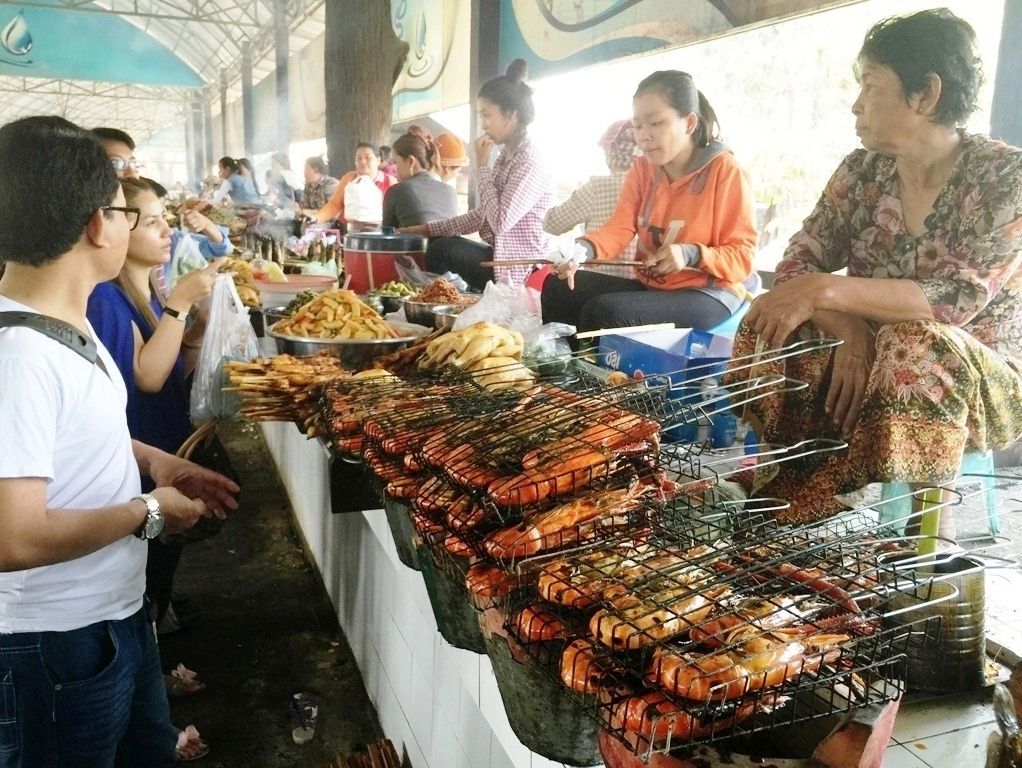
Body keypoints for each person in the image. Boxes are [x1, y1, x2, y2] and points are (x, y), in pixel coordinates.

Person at [0, 115, 238, 766]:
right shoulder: (18, 356)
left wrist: (159, 462)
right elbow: (12, 537)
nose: (137, 225)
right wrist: (152, 510)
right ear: (97, 224)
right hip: (56, 645)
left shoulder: (64, 323)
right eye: (123, 210)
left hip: (115, 615)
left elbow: (84, 434)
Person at [729, 8, 1022, 531]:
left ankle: (927, 533)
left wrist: (826, 290)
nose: (856, 104)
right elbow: (799, 262)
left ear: (925, 94)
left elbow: (952, 301)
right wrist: (848, 332)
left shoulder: (1006, 177)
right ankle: (795, 477)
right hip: (872, 343)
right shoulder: (862, 170)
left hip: (979, 373)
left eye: (870, 85)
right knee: (769, 312)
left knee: (914, 341)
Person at [87, 177, 225, 761]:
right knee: (147, 572)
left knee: (155, 574)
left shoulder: (136, 291)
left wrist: (194, 330)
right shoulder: (105, 301)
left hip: (153, 451)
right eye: (146, 220)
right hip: (140, 456)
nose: (165, 230)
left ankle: (156, 652)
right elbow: (145, 375)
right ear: (101, 226)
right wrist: (181, 305)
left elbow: (164, 363)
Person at [540, 70, 757, 333]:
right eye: (638, 125)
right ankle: (557, 367)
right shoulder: (643, 169)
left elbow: (742, 257)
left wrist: (691, 254)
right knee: (557, 287)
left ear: (689, 123)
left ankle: (591, 374)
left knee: (607, 313)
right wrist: (581, 251)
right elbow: (619, 228)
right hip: (655, 286)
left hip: (709, 293)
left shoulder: (725, 171)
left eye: (655, 123)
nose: (643, 136)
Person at [404, 59, 553, 290]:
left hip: (519, 267)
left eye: (487, 115)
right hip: (500, 257)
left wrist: (482, 165)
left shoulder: (529, 160)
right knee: (438, 242)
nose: (483, 124)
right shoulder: (507, 156)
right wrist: (427, 228)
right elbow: (482, 215)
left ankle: (439, 306)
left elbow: (501, 221)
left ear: (510, 115)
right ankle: (442, 304)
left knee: (442, 250)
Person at [543, 118, 640, 277]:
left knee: (553, 283)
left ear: (609, 152)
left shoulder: (597, 188)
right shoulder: (652, 189)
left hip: (599, 283)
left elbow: (551, 224)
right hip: (640, 288)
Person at [382, 125, 458, 229]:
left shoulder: (396, 191)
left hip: (416, 246)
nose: (393, 169)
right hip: (450, 245)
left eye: (395, 162)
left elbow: (387, 235)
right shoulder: (450, 191)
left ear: (411, 161)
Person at [314, 143, 396, 229]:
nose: (363, 162)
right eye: (359, 158)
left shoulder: (390, 182)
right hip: (347, 230)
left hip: (378, 232)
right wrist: (316, 218)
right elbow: (335, 204)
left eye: (367, 158)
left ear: (378, 160)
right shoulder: (349, 179)